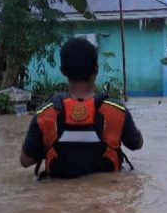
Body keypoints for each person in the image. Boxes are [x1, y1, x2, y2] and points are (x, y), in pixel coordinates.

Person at [19, 38, 143, 179]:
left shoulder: (44, 114)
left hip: (59, 197)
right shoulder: (117, 111)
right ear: (96, 69)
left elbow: (25, 161)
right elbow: (136, 144)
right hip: (106, 197)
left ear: (63, 71)